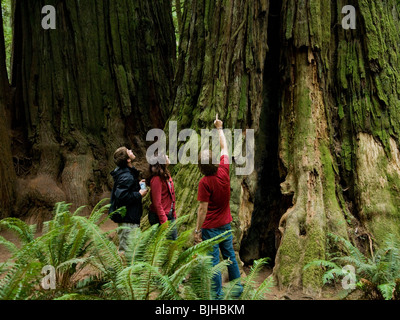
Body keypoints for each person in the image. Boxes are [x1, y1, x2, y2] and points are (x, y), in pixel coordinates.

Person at [194, 114, 243, 300]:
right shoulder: (224, 170)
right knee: (230, 256)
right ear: (214, 162)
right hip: (225, 224)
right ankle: (237, 290)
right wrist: (219, 128)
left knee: (214, 261)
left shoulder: (204, 183)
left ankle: (217, 296)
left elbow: (202, 209)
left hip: (210, 228)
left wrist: (198, 229)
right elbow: (224, 147)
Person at [109, 147, 148, 253]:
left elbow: (126, 191)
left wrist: (138, 186)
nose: (131, 150)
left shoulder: (128, 174)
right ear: (128, 160)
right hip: (128, 220)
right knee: (126, 252)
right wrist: (139, 194)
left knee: (131, 250)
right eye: (128, 151)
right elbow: (122, 197)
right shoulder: (126, 176)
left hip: (130, 218)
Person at [147, 154, 177, 240]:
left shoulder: (165, 174)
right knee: (165, 244)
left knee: (172, 243)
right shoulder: (156, 179)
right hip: (160, 216)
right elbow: (157, 203)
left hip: (169, 214)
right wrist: (164, 221)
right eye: (165, 156)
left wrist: (173, 212)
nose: (168, 156)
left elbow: (171, 196)